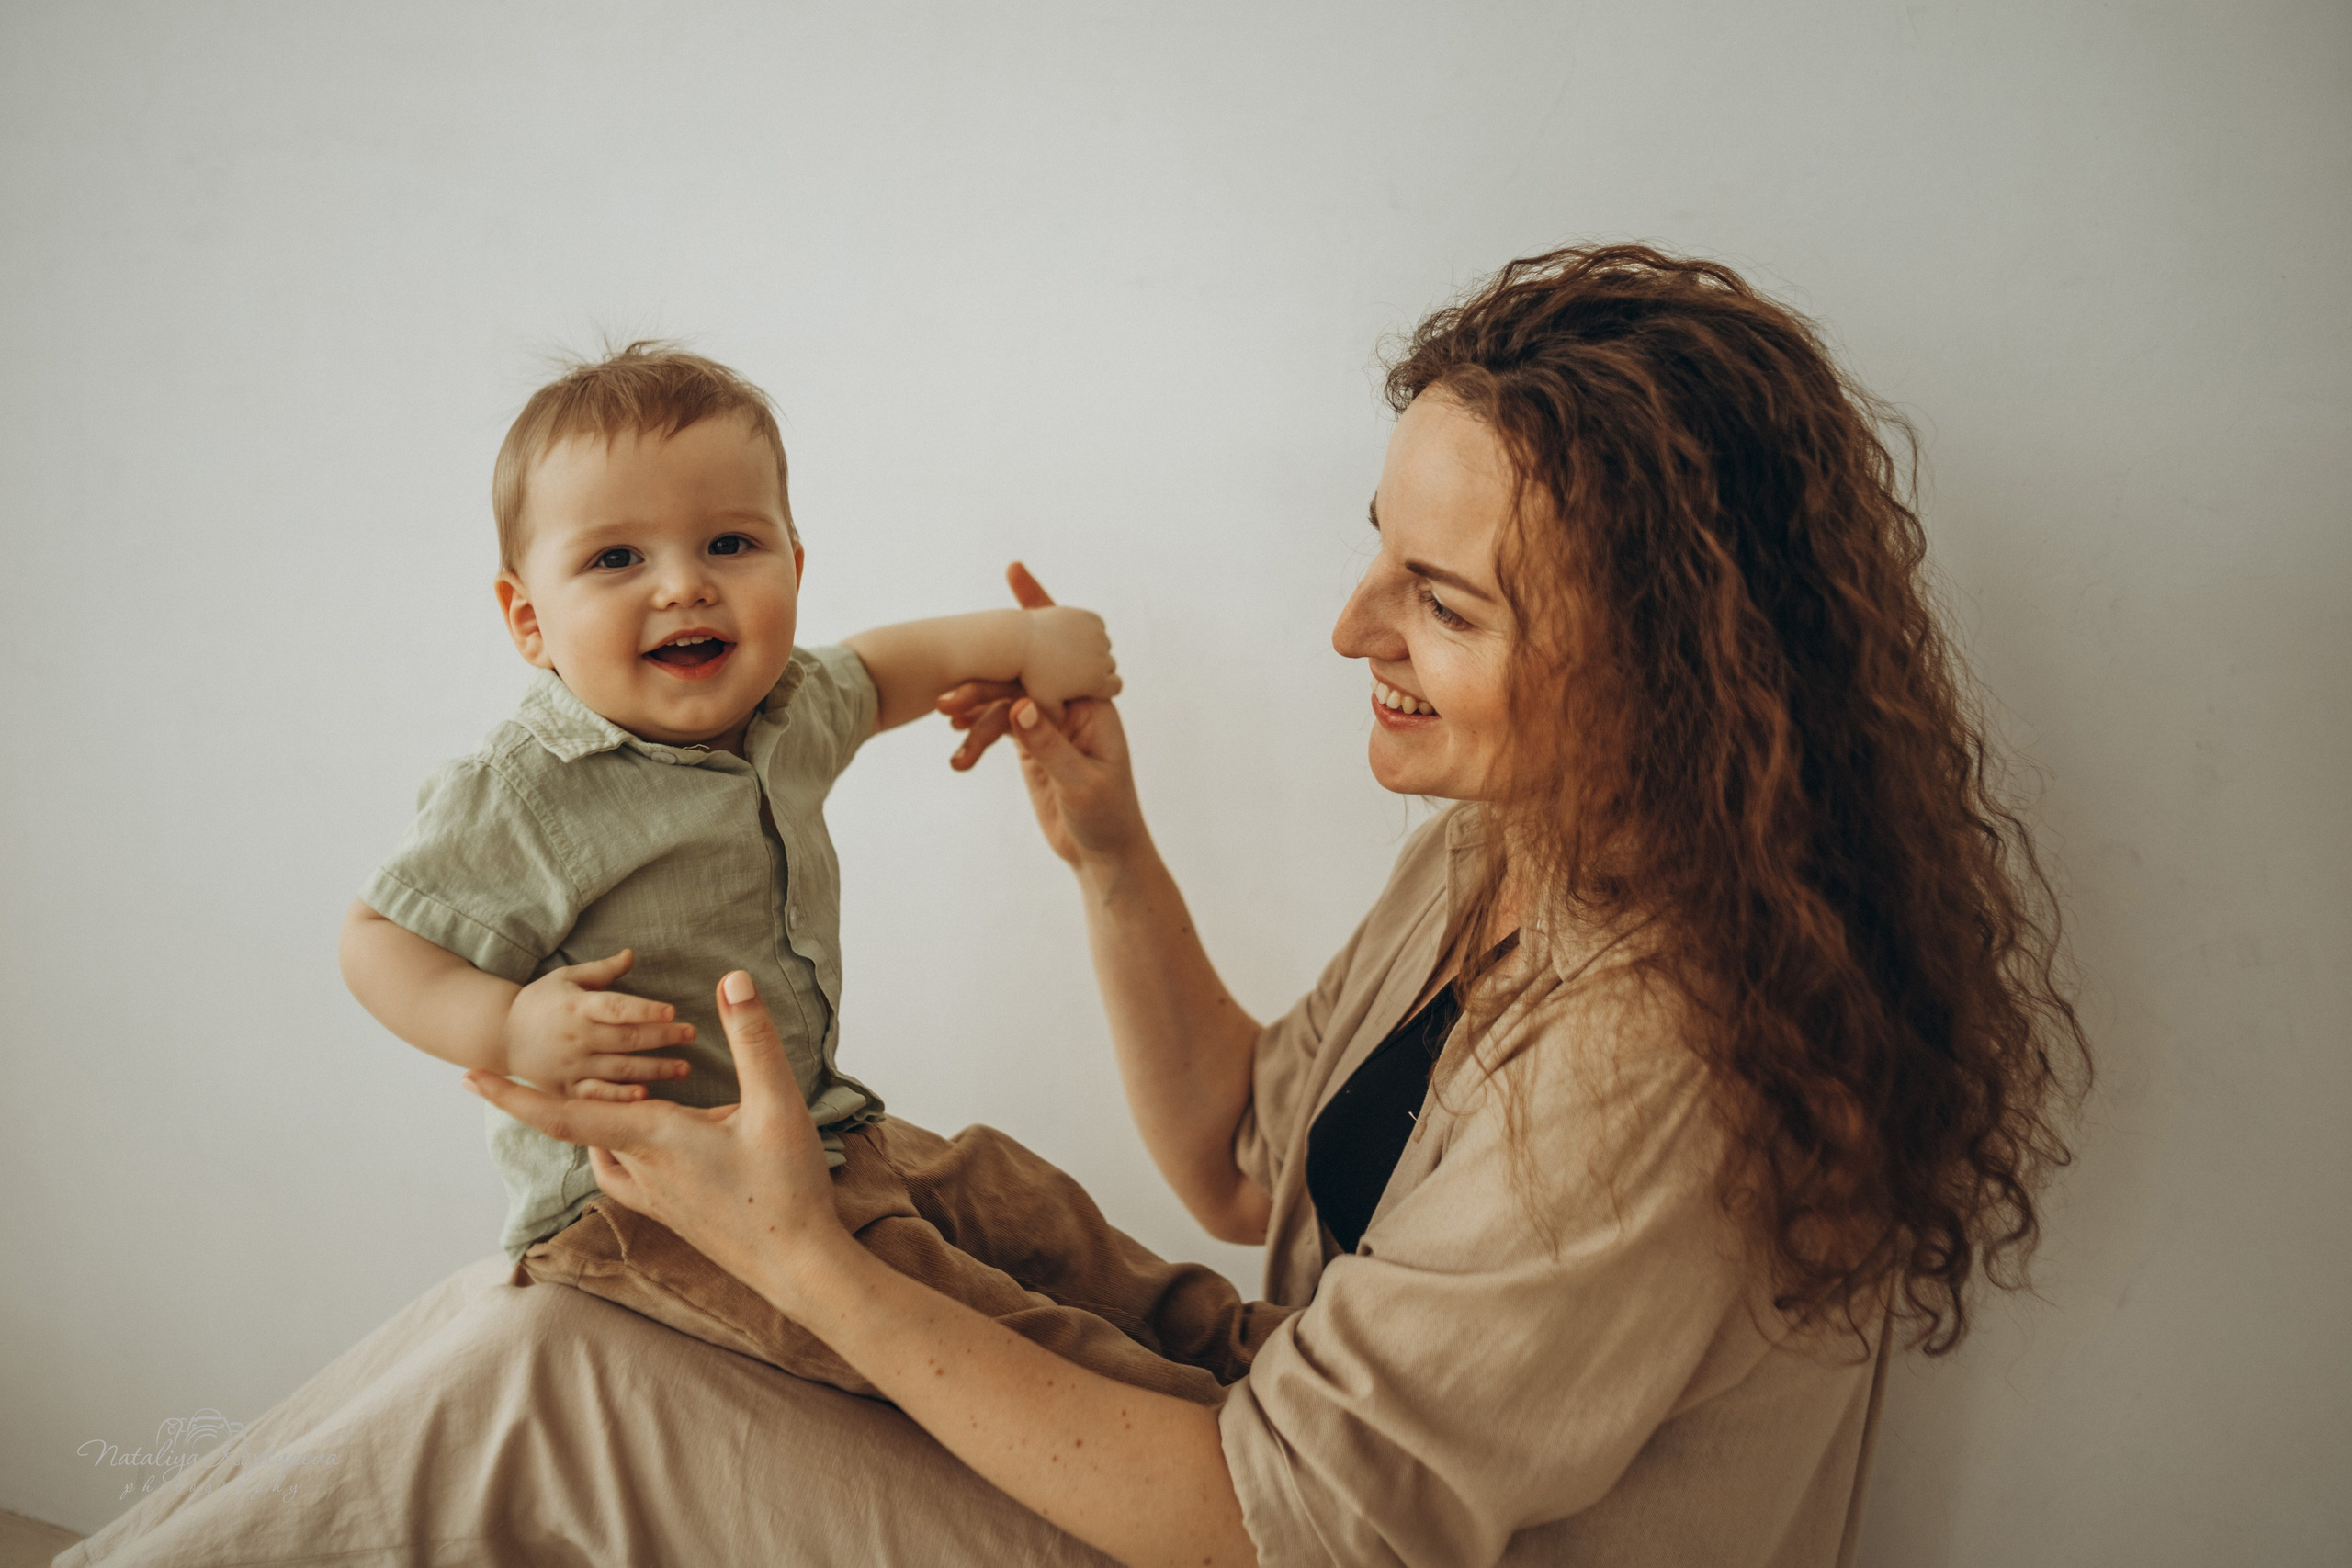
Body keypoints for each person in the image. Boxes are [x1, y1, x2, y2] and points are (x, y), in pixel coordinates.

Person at [64, 246, 2084, 1567]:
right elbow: (1235, 1158)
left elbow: (1283, 1515)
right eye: (1377, 550)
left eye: (1441, 603)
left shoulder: (1661, 1047)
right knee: (537, 1308)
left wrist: (812, 1258)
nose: (1347, 626)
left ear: (1658, 656)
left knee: (556, 1384)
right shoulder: (1512, 844)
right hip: (1252, 1463)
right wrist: (1107, 851)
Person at [337, 342, 1275, 1406]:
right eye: (615, 561)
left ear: (794, 566)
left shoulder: (785, 709)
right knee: (950, 1310)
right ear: (527, 620)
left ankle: (1255, 1347)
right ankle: (1192, 1422)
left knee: (1017, 1203)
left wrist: (1023, 642)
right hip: (648, 1201)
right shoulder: (529, 791)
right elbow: (376, 941)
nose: (684, 584)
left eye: (729, 543)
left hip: (823, 1133)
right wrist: (504, 1028)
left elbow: (884, 670)